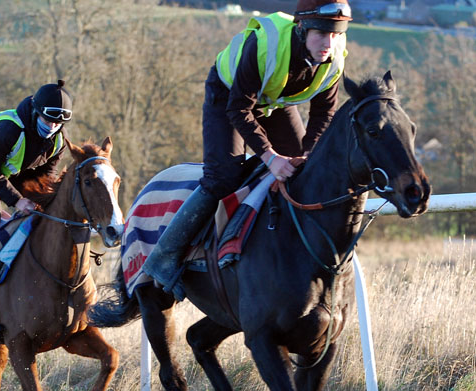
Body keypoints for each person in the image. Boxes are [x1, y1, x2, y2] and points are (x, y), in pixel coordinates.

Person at [142, 0, 351, 299]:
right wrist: (270, 157)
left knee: (301, 173)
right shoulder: (264, 44)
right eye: (322, 34)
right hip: (229, 96)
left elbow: (323, 115)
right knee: (223, 178)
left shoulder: (335, 59)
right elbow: (239, 109)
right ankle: (164, 257)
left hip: (275, 103)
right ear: (301, 28)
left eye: (337, 34)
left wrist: (307, 154)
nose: (329, 43)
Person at [0, 79, 73, 333]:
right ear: (35, 112)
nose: (53, 127)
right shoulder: (8, 130)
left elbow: (46, 175)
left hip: (16, 170)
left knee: (40, 221)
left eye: (58, 124)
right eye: (48, 121)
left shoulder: (58, 140)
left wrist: (42, 202)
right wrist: (16, 200)